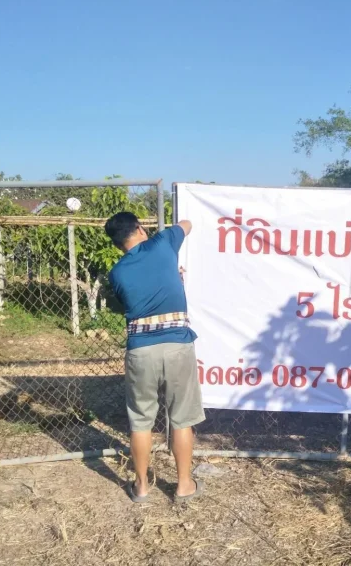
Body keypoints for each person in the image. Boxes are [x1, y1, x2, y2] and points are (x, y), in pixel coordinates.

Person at [104, 212, 204, 503]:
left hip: (140, 350)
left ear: (116, 243)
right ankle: (184, 485)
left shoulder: (117, 272)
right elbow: (188, 223)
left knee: (140, 421)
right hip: (176, 345)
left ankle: (141, 487)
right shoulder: (162, 243)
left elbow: (138, 298)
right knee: (181, 419)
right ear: (139, 228)